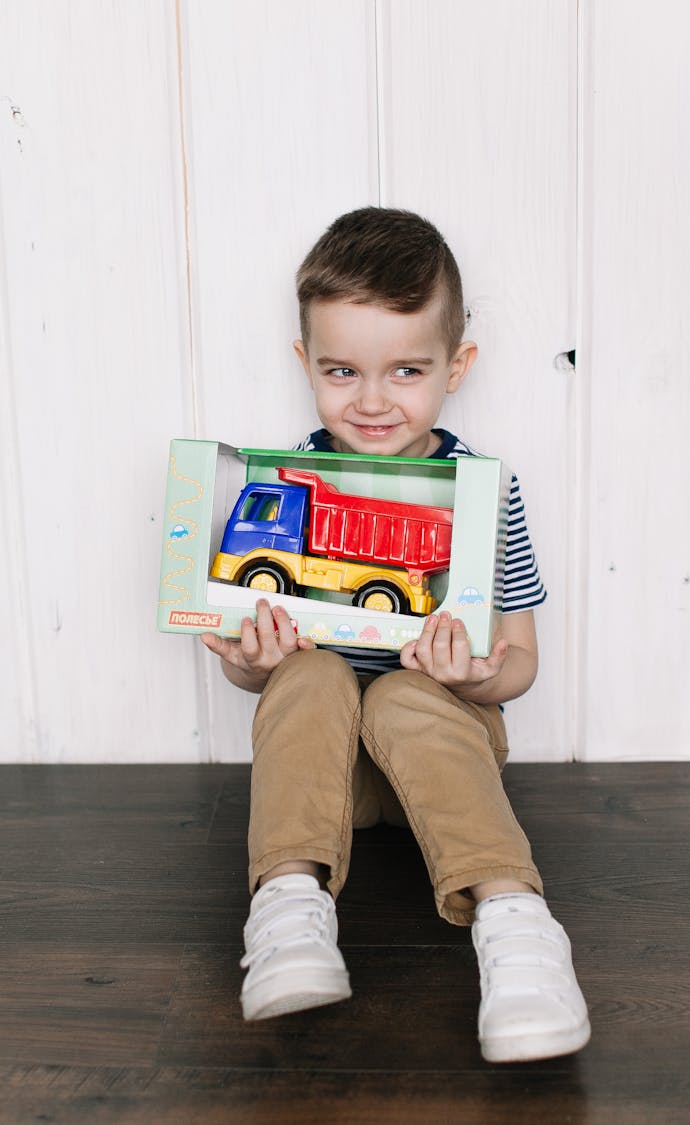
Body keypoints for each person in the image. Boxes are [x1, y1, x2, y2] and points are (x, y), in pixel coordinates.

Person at [201, 207, 590, 1063]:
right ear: (305, 363)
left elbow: (521, 659)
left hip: (444, 750)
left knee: (410, 691)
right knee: (309, 676)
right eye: (343, 370)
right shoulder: (289, 482)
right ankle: (287, 909)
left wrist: (480, 677)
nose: (372, 400)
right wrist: (252, 663)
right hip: (334, 779)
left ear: (458, 367)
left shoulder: (484, 492)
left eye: (407, 369)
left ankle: (518, 924)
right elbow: (256, 679)